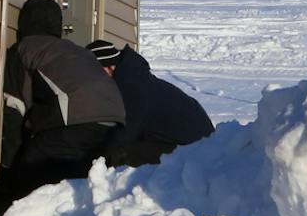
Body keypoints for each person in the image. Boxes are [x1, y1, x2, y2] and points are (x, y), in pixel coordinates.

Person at [0, 0, 125, 197]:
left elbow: (13, 107)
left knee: (31, 167)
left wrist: (6, 168)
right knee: (77, 176)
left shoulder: (23, 49)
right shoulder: (73, 49)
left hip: (77, 117)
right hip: (115, 119)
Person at [85, 40, 217, 166]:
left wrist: (90, 162)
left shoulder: (132, 87)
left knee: (120, 154)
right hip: (191, 143)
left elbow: (124, 135)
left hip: (196, 151)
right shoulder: (132, 77)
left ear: (108, 68)